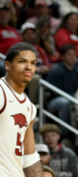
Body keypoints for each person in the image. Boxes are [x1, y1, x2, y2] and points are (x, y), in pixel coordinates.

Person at [1, 42, 41, 177]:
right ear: (7, 65)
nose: (28, 67)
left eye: (33, 63)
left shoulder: (29, 107)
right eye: (22, 61)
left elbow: (30, 157)